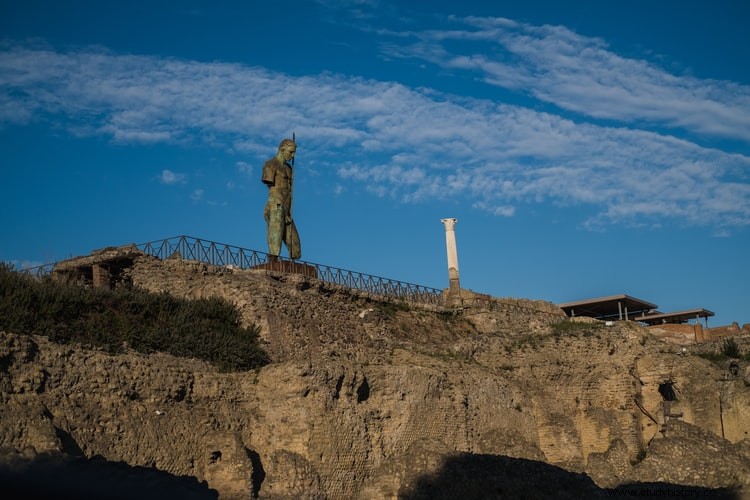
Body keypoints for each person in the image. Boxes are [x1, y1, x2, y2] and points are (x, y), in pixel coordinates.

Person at [262, 138, 301, 260]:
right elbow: (271, 185)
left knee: (295, 246)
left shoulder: (289, 169)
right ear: (282, 149)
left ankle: (293, 267)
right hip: (276, 205)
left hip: (287, 209)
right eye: (290, 152)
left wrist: (288, 210)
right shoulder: (271, 164)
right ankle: (273, 262)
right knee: (275, 241)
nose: (292, 155)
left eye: (294, 152)